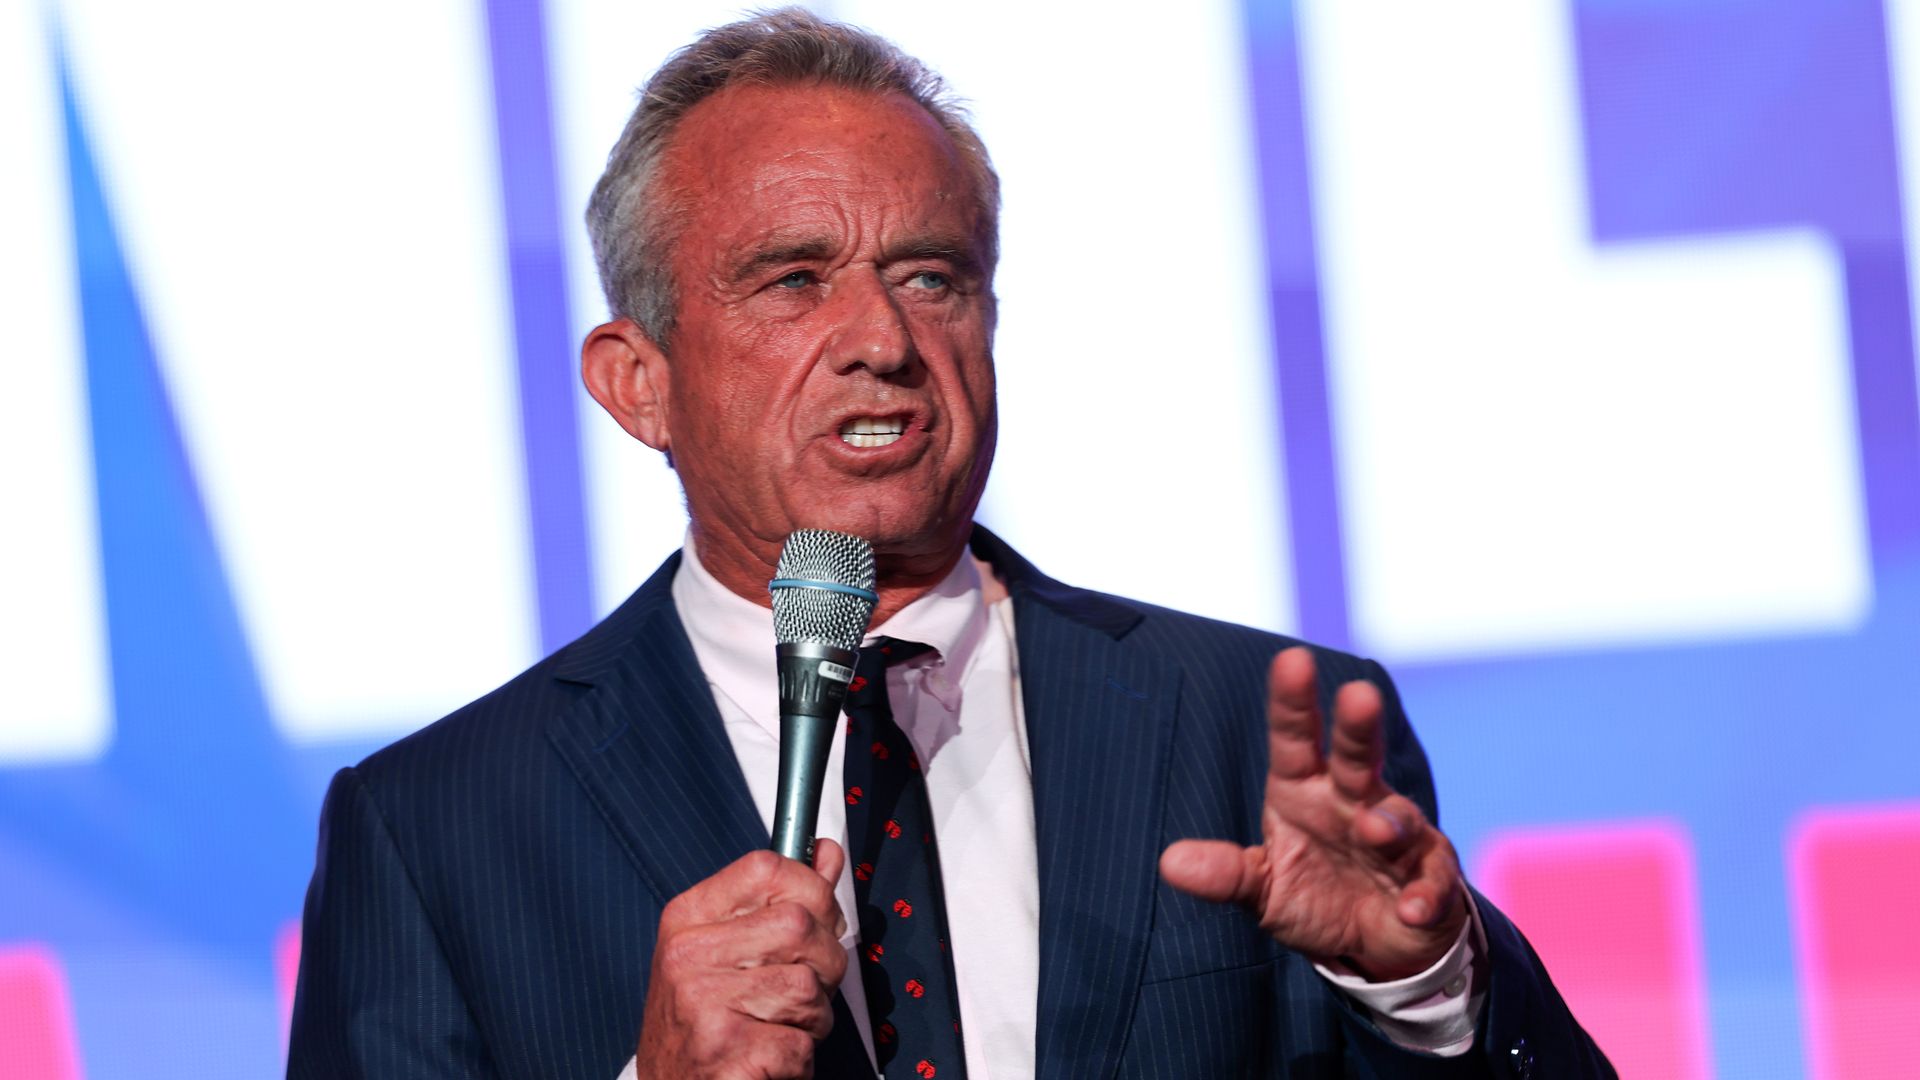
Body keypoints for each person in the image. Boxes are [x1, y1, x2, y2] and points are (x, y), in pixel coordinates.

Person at [289, 9, 1612, 1078]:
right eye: (795, 277)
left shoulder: (1260, 734)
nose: (882, 339)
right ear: (639, 382)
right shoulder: (439, 831)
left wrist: (1426, 994)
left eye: (933, 275)